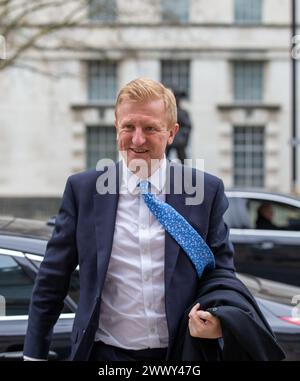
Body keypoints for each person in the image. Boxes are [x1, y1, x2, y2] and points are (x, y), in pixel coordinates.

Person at [23, 78, 283, 361]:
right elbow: (52, 279)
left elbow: (220, 271)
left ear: (172, 133)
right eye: (128, 127)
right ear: (116, 127)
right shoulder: (83, 190)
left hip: (181, 354)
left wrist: (218, 319)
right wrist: (33, 354)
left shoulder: (205, 191)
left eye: (150, 128)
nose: (137, 139)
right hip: (103, 354)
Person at [166, 90, 191, 163]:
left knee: (182, 157)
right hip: (170, 138)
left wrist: (182, 138)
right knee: (164, 156)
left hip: (179, 139)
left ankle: (185, 172)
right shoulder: (168, 113)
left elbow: (187, 126)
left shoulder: (183, 112)